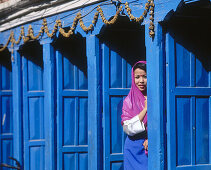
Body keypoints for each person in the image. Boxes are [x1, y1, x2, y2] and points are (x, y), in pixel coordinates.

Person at [121, 61, 148, 170]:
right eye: (137, 77)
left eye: (145, 77)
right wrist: (146, 109)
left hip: (151, 147)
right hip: (132, 149)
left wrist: (153, 138)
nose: (141, 81)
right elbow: (127, 128)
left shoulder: (158, 98)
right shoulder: (129, 101)